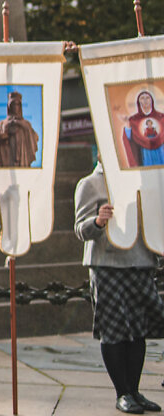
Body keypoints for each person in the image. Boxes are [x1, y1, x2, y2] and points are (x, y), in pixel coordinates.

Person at [75, 163, 164, 414]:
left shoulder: (143, 179)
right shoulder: (90, 183)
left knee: (138, 330)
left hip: (141, 261)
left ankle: (134, 391)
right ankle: (122, 393)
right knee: (114, 329)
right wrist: (98, 220)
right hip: (107, 265)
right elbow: (80, 229)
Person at [0, 91, 40, 168]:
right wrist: (1, 136)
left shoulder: (26, 124)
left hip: (22, 160)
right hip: (6, 158)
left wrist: (24, 128)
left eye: (17, 104)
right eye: (13, 104)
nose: (15, 107)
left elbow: (35, 137)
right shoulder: (1, 124)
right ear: (9, 106)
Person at [121, 90, 164, 167]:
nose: (145, 101)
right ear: (138, 102)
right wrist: (127, 124)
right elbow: (129, 138)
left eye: (147, 98)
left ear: (151, 100)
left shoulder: (161, 117)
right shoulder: (134, 119)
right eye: (142, 98)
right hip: (145, 151)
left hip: (160, 150)